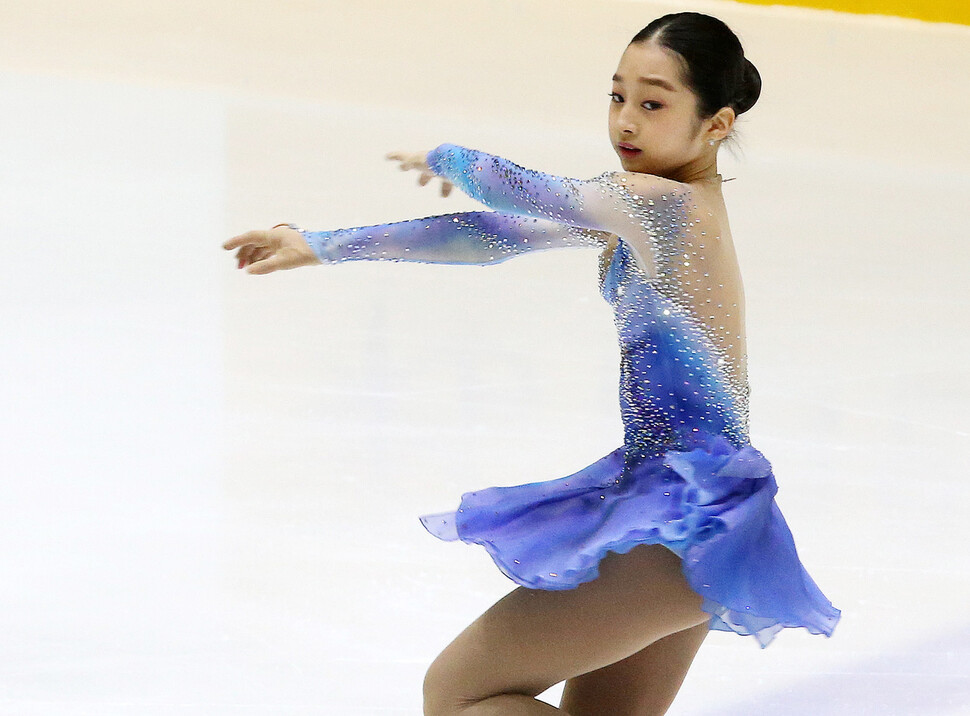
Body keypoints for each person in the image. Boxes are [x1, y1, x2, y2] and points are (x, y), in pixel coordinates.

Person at [222, 12, 840, 716]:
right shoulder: (649, 209)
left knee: (456, 694)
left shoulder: (666, 207)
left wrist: (449, 157)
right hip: (690, 508)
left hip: (682, 516)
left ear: (716, 124)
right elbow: (494, 236)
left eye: (653, 102)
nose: (625, 122)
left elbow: (525, 191)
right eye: (617, 97)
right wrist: (322, 244)